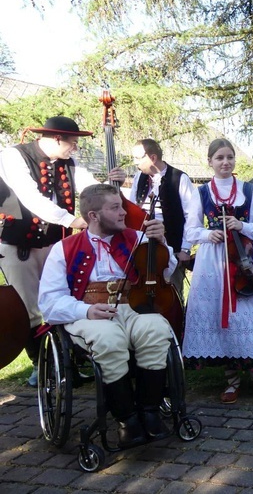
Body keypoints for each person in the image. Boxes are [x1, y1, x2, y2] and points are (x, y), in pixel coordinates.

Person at [38, 183, 174, 447]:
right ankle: (127, 420)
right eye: (115, 208)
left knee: (156, 329)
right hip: (88, 313)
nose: (124, 212)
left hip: (133, 307)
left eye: (121, 205)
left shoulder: (137, 238)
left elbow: (164, 274)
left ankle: (149, 412)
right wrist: (86, 310)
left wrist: (160, 243)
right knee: (109, 339)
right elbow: (49, 302)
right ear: (93, 216)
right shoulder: (64, 248)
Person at [0, 116, 125, 387]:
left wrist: (114, 187)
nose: (76, 148)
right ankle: (41, 367)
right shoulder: (13, 156)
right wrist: (72, 220)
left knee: (64, 298)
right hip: (20, 244)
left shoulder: (70, 162)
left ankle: (68, 361)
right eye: (73, 142)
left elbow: (90, 188)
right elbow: (30, 197)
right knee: (29, 308)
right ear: (57, 139)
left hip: (56, 244)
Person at [182, 139, 253, 403]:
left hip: (245, 258)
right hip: (213, 261)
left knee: (249, 314)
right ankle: (232, 380)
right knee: (223, 316)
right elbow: (190, 231)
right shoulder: (200, 193)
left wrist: (241, 225)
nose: (225, 162)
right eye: (219, 158)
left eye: (229, 157)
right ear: (210, 162)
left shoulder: (250, 190)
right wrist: (207, 233)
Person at [129, 138, 196, 302]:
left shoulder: (179, 178)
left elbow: (192, 215)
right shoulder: (140, 177)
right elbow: (132, 207)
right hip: (142, 247)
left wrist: (185, 249)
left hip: (171, 247)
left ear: (152, 158)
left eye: (138, 158)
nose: (135, 162)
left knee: (171, 295)